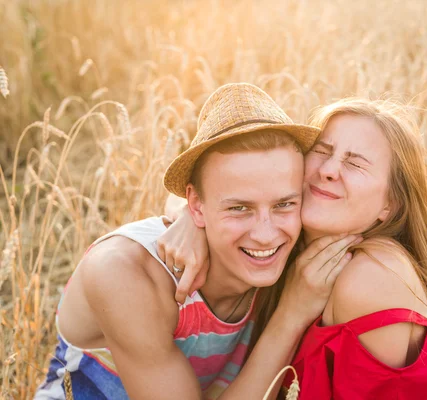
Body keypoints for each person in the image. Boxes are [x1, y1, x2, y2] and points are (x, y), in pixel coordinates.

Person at [160, 98, 427, 399]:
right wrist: (188, 218)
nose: (327, 170)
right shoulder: (282, 243)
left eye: (354, 164)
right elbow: (228, 180)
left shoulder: (369, 277)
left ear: (391, 205)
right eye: (322, 151)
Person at [35, 83, 360, 400]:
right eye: (239, 208)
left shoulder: (294, 241)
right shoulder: (126, 274)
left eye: (284, 203)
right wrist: (291, 313)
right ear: (197, 204)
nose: (266, 233)